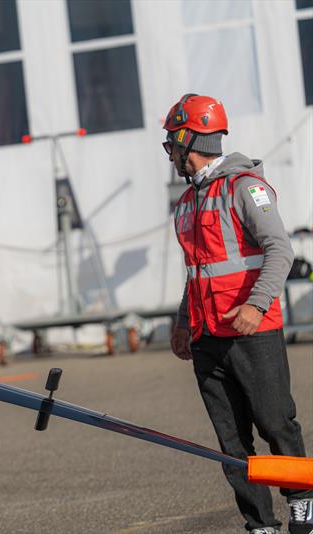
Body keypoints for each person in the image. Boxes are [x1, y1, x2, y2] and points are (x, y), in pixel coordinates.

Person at [164, 94, 313, 534]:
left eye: (172, 143)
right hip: (207, 338)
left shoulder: (244, 187)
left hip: (253, 332)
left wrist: (256, 304)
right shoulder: (187, 204)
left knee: (275, 424)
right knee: (232, 442)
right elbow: (198, 272)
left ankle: (303, 502)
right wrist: (182, 321)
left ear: (189, 139)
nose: (170, 152)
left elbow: (280, 251)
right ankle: (259, 523)